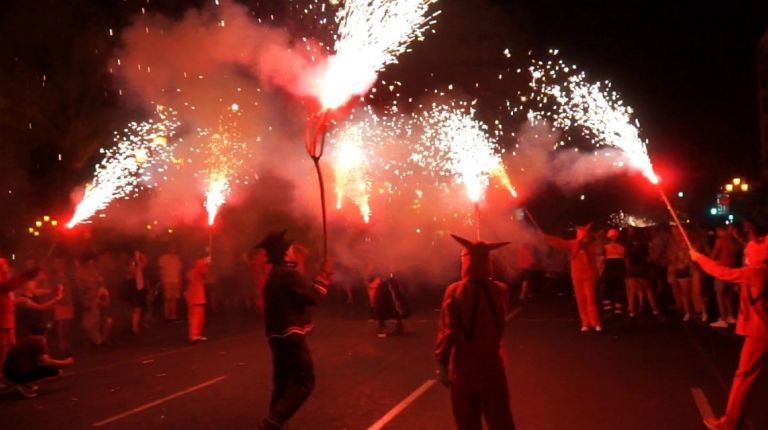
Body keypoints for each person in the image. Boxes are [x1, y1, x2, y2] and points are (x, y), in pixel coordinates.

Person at [691, 222, 768, 430]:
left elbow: (723, 272)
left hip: (760, 332)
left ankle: (730, 423)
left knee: (744, 377)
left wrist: (699, 258)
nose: (746, 256)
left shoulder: (758, 271)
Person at [435, 234, 516, 430]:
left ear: (465, 262)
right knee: (500, 419)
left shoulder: (454, 291)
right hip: (492, 365)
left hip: (465, 367)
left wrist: (443, 363)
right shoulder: (500, 289)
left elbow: (448, 331)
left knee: (467, 419)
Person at [257, 230, 332, 430]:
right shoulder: (287, 274)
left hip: (277, 336)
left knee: (283, 382)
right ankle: (271, 423)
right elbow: (312, 297)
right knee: (304, 381)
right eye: (290, 249)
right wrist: (325, 275)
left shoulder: (275, 275)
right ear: (284, 253)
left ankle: (274, 422)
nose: (293, 251)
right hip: (290, 336)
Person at [543, 224, 602, 332]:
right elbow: (559, 242)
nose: (587, 238)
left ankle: (596, 323)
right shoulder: (573, 245)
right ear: (581, 237)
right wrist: (547, 237)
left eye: (587, 236)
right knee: (580, 300)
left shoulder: (590, 247)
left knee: (590, 300)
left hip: (589, 277)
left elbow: (595, 260)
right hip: (577, 277)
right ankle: (585, 324)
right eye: (585, 236)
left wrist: (596, 275)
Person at [2, 323, 74, 398]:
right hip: (16, 375)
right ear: (45, 333)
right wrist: (65, 363)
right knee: (57, 373)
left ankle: (22, 382)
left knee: (50, 368)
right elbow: (45, 361)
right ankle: (23, 383)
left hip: (7, 373)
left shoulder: (27, 340)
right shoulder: (39, 341)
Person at [0, 259, 40, 383]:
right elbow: (6, 286)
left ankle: (10, 375)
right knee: (1, 352)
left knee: (12, 349)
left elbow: (11, 288)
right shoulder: (3, 283)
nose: (7, 268)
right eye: (4, 266)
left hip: (7, 322)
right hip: (1, 322)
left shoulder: (7, 282)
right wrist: (28, 275)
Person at [625, 228, 661, 317]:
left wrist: (627, 269)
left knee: (632, 291)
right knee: (648, 289)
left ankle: (632, 311)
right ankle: (655, 309)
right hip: (642, 268)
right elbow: (649, 258)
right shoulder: (644, 245)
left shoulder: (628, 245)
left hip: (632, 269)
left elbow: (627, 259)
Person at [709, 226, 740, 328]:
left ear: (719, 230)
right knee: (728, 295)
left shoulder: (720, 240)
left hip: (721, 270)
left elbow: (713, 255)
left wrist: (711, 257)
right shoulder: (734, 240)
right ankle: (731, 316)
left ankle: (723, 319)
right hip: (732, 270)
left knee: (720, 294)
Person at [77, 257, 112, 346]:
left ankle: (101, 340)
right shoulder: (85, 287)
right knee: (89, 327)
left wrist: (105, 295)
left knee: (107, 321)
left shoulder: (100, 287)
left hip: (97, 314)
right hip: (90, 313)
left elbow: (106, 304)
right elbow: (88, 304)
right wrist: (96, 296)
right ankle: (96, 340)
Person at [367, 272, 411, 338]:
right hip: (386, 286)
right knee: (384, 307)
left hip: (390, 286)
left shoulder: (392, 282)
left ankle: (396, 327)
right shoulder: (384, 282)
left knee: (395, 307)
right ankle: (384, 327)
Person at [50, 258, 75, 353]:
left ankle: (65, 340)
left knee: (67, 323)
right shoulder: (54, 277)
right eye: (58, 264)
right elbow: (54, 290)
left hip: (68, 301)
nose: (61, 266)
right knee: (61, 323)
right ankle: (61, 342)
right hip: (60, 302)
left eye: (62, 264)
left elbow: (70, 290)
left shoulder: (67, 276)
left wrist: (71, 302)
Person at [186, 257, 210, 344]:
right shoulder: (193, 272)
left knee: (200, 318)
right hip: (194, 298)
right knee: (195, 318)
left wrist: (206, 263)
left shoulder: (198, 272)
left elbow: (204, 270)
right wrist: (206, 260)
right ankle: (193, 336)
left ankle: (198, 334)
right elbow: (200, 267)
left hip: (199, 297)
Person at [158, 245, 183, 321]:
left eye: (174, 248)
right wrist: (162, 280)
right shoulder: (163, 258)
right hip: (167, 280)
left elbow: (179, 271)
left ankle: (173, 315)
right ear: (168, 249)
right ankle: (167, 316)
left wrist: (180, 281)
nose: (173, 249)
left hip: (175, 280)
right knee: (167, 299)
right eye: (171, 248)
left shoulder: (177, 258)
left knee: (174, 299)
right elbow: (160, 270)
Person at [126, 251, 148, 334]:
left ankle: (137, 325)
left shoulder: (138, 266)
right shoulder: (132, 267)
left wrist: (140, 254)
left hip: (140, 289)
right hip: (135, 290)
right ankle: (134, 327)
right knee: (136, 310)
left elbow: (145, 262)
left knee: (140, 309)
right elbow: (132, 271)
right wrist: (136, 260)